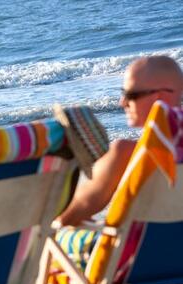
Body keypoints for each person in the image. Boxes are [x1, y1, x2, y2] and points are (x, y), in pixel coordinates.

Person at [57, 55, 183, 226]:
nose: (122, 102)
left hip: (137, 251)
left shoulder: (126, 153)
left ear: (158, 98)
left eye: (130, 95)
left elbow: (67, 219)